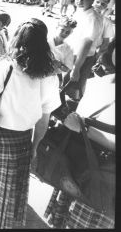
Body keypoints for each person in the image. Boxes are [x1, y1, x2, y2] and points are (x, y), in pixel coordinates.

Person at [0, 18, 60, 228]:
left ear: (16, 39)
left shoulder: (5, 68)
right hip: (23, 140)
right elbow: (44, 118)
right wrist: (35, 146)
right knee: (10, 191)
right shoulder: (49, 75)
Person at [44, 40, 115, 229]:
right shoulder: (97, 83)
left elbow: (82, 126)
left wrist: (85, 130)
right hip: (78, 168)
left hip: (106, 180)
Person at [65, 0, 103, 99]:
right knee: (64, 86)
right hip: (71, 54)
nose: (79, 1)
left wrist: (76, 69)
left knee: (74, 90)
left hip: (82, 58)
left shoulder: (92, 18)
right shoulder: (80, 11)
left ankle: (71, 113)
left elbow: (86, 45)